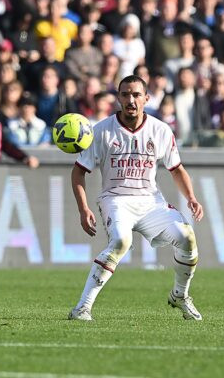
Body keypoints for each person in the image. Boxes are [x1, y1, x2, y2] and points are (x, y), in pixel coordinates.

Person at [69, 75, 204, 321]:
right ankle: (82, 307)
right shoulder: (100, 131)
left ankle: (180, 295)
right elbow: (78, 171)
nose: (131, 100)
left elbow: (176, 169)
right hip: (116, 199)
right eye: (125, 94)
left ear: (146, 98)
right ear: (118, 98)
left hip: (150, 201)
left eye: (136, 95)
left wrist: (191, 197)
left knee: (187, 239)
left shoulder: (160, 130)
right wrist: (83, 208)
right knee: (120, 241)